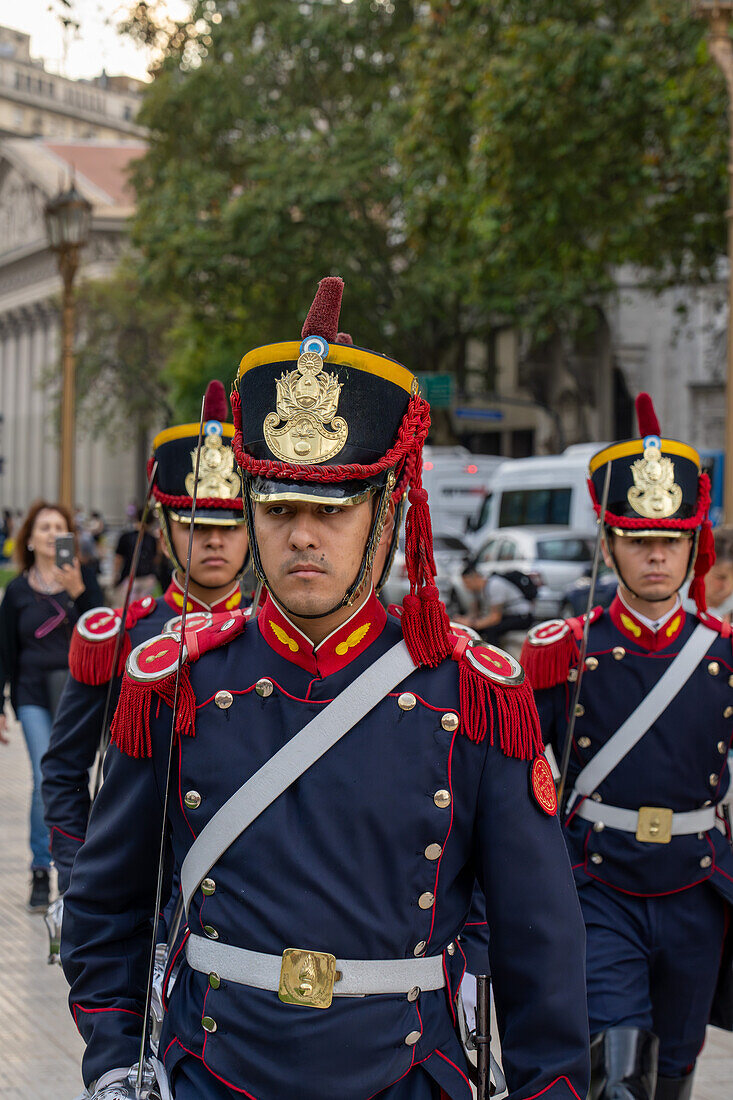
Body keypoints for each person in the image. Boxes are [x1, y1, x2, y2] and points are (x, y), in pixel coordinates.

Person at [61, 277, 589, 1100]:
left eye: (333, 508)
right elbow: (110, 905)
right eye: (276, 507)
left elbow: (539, 942)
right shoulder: (178, 682)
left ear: (385, 513)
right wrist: (113, 1061)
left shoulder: (474, 691)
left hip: (406, 1073)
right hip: (214, 1071)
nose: (301, 533)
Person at [521, 393, 733, 1100]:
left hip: (694, 882)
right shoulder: (564, 652)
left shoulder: (722, 655)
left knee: (673, 1065)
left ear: (690, 546)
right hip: (598, 880)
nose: (653, 555)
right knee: (616, 1065)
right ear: (608, 544)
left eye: (669, 541)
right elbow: (518, 773)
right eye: (637, 540)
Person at [42, 381, 250, 900]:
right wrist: (76, 874)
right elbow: (66, 769)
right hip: (135, 896)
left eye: (232, 523)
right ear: (163, 527)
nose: (214, 539)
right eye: (196, 524)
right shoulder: (122, 635)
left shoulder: (274, 637)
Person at [0, 500, 104, 912]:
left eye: (58, 527)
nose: (50, 534)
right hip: (30, 695)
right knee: (47, 776)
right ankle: (43, 869)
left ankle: (73, 865)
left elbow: (103, 629)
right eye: (43, 527)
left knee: (74, 776)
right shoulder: (17, 591)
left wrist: (79, 591)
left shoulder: (84, 579)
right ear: (30, 537)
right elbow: (5, 651)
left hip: (76, 698)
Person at [454, 561, 534, 644]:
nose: (467, 587)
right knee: (479, 629)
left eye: (467, 583)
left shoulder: (494, 585)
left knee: (491, 630)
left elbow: (495, 618)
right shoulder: (478, 591)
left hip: (522, 616)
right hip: (507, 615)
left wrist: (472, 624)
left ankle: (493, 655)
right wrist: (463, 620)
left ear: (475, 578)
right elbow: (475, 612)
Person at [112, 507, 159, 604]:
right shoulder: (152, 539)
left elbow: (118, 558)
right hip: (147, 577)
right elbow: (156, 558)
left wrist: (116, 575)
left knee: (127, 608)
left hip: (130, 577)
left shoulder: (126, 537)